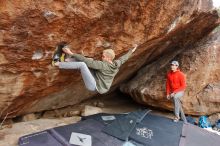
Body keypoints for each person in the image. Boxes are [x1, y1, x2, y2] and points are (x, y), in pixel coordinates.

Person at [54, 44, 138, 94]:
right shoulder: (116, 63)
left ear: (109, 58)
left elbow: (87, 62)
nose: (101, 57)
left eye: (103, 56)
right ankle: (66, 60)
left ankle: (57, 63)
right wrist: (133, 49)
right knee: (89, 60)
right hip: (98, 81)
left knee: (83, 64)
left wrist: (71, 53)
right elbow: (124, 58)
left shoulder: (103, 65)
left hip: (95, 86)